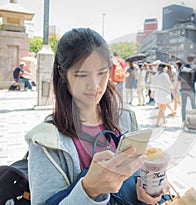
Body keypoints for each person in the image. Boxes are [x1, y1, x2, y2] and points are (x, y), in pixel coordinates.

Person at [25, 28, 168, 205]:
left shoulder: (125, 118)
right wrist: (89, 190)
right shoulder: (45, 141)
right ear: (62, 73)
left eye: (102, 73)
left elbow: (140, 171)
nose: (94, 86)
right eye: (81, 75)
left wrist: (150, 185)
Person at [175, 54, 196, 126]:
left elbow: (178, 79)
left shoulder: (182, 68)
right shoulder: (195, 68)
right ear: (194, 60)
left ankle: (183, 122)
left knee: (183, 106)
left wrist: (175, 89)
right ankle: (195, 121)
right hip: (191, 90)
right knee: (194, 106)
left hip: (183, 89)